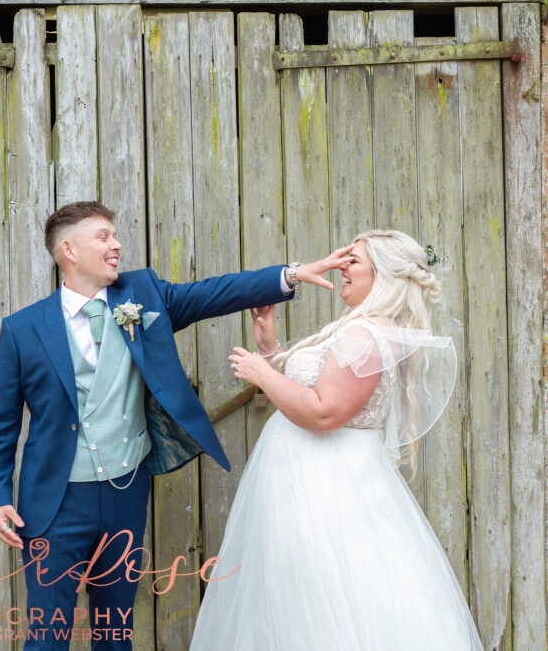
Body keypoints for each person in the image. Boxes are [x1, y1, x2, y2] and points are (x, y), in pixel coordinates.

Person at [0, 200, 355, 650]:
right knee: (46, 637)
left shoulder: (144, 294)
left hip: (125, 492)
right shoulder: (22, 329)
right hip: (53, 500)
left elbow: (215, 293)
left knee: (115, 634)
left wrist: (289, 274)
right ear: (69, 250)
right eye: (103, 236)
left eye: (116, 236)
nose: (117, 245)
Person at [190, 229, 483, 650]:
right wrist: (271, 347)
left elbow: (325, 412)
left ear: (382, 274)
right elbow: (309, 394)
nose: (343, 267)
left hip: (325, 487)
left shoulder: (366, 336)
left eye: (354, 261)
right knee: (294, 595)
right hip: (304, 480)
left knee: (318, 593)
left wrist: (263, 374)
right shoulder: (361, 328)